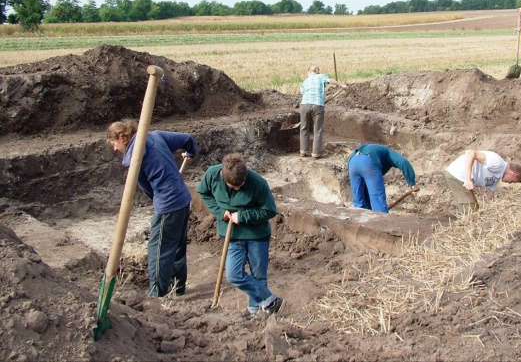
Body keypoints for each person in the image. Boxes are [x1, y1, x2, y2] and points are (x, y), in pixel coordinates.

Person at [107, 119, 199, 297]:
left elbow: (147, 188)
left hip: (168, 204)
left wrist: (159, 201)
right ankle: (178, 288)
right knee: (177, 246)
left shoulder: (135, 156)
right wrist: (191, 152)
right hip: (182, 199)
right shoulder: (155, 136)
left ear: (122, 137)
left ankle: (156, 294)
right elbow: (187, 138)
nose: (115, 148)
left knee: (158, 250)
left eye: (114, 143)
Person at [196, 153, 283, 316]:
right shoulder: (212, 175)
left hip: (256, 236)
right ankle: (270, 300)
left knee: (258, 275)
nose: (237, 189)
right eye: (233, 186)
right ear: (223, 176)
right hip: (232, 236)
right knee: (234, 275)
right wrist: (219, 211)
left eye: (241, 185)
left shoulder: (258, 183)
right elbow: (204, 193)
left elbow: (269, 210)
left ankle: (254, 311)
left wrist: (242, 216)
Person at [444, 150, 521, 213]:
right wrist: (468, 179)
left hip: (463, 179)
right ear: (513, 174)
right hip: (457, 175)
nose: (509, 183)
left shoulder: (497, 177)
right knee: (470, 211)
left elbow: (490, 193)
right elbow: (470, 153)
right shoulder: (497, 162)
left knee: (476, 210)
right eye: (513, 182)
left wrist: (488, 209)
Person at [347, 143, 419, 213]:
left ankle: (360, 221)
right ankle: (380, 221)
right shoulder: (388, 153)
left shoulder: (378, 151)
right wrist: (412, 183)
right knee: (377, 199)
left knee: (358, 200)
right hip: (368, 161)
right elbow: (403, 162)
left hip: (352, 162)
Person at [299, 65, 348, 159]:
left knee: (304, 128)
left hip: (304, 105)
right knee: (317, 130)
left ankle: (303, 151)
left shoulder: (306, 80)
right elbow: (331, 81)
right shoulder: (321, 76)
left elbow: (302, 92)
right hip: (318, 105)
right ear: (317, 71)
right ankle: (316, 153)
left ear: (309, 72)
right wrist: (341, 85)